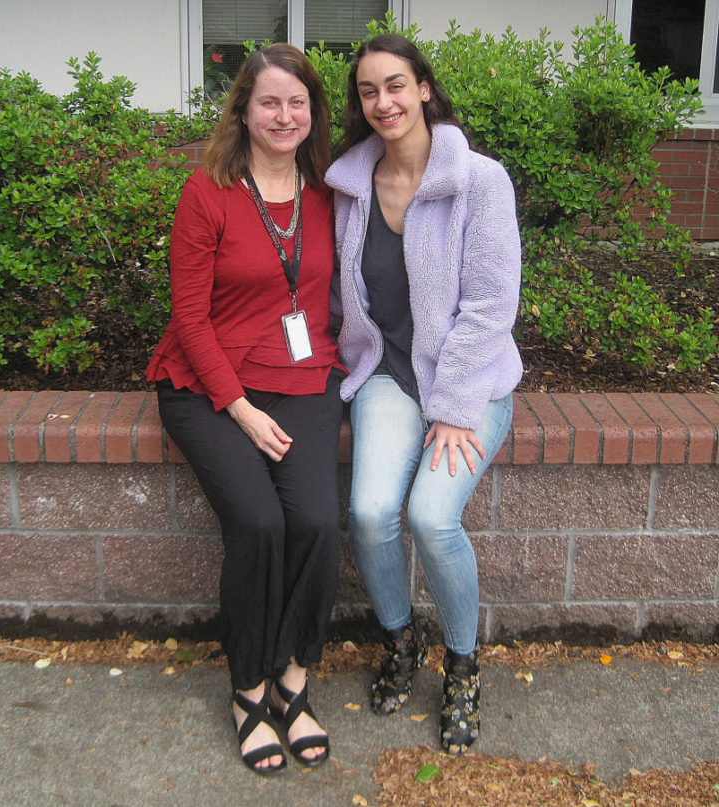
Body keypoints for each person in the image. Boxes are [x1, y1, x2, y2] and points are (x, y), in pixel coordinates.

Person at [146, 43, 344, 776]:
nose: (284, 115)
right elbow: (190, 318)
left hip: (304, 375)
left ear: (313, 112)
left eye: (298, 102)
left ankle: (294, 672)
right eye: (270, 102)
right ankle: (248, 686)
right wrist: (238, 407)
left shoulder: (329, 189)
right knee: (259, 523)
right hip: (208, 386)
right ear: (244, 109)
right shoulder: (208, 191)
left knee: (319, 522)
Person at [325, 33, 522, 755]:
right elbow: (338, 296)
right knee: (371, 510)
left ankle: (464, 665)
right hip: (385, 372)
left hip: (465, 382)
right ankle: (400, 642)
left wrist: (452, 409)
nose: (384, 102)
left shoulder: (479, 181)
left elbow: (492, 305)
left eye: (396, 85)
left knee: (432, 517)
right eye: (369, 91)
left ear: (425, 89)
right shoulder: (348, 186)